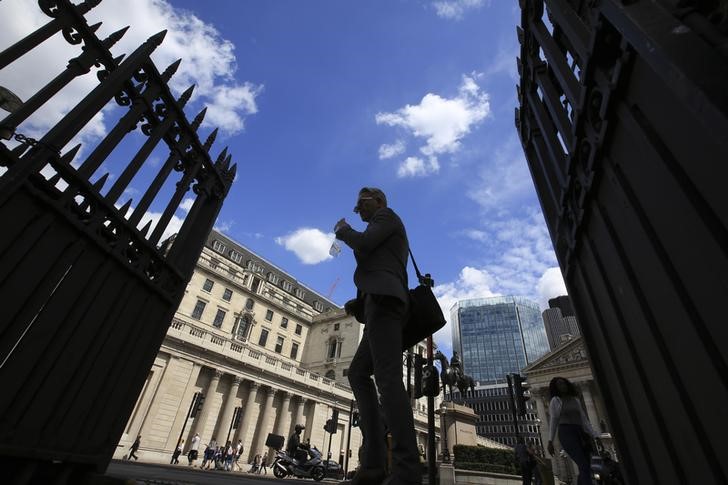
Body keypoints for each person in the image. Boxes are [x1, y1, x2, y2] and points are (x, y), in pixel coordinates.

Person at [335, 187, 420, 485]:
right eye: (356, 208)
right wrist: (358, 303)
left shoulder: (387, 217)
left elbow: (366, 243)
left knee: (387, 379)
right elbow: (376, 264)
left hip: (386, 304)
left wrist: (344, 230)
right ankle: (372, 463)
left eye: (362, 204)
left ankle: (407, 469)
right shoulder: (377, 224)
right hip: (375, 306)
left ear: (379, 200)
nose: (360, 210)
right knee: (358, 373)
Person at [547, 377, 599, 485]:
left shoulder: (575, 400)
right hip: (566, 433)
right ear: (555, 388)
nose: (562, 386)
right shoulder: (555, 401)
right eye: (559, 385)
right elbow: (553, 421)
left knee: (586, 465)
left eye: (563, 383)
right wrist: (550, 441)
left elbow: (584, 419)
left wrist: (594, 435)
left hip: (581, 432)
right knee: (583, 464)